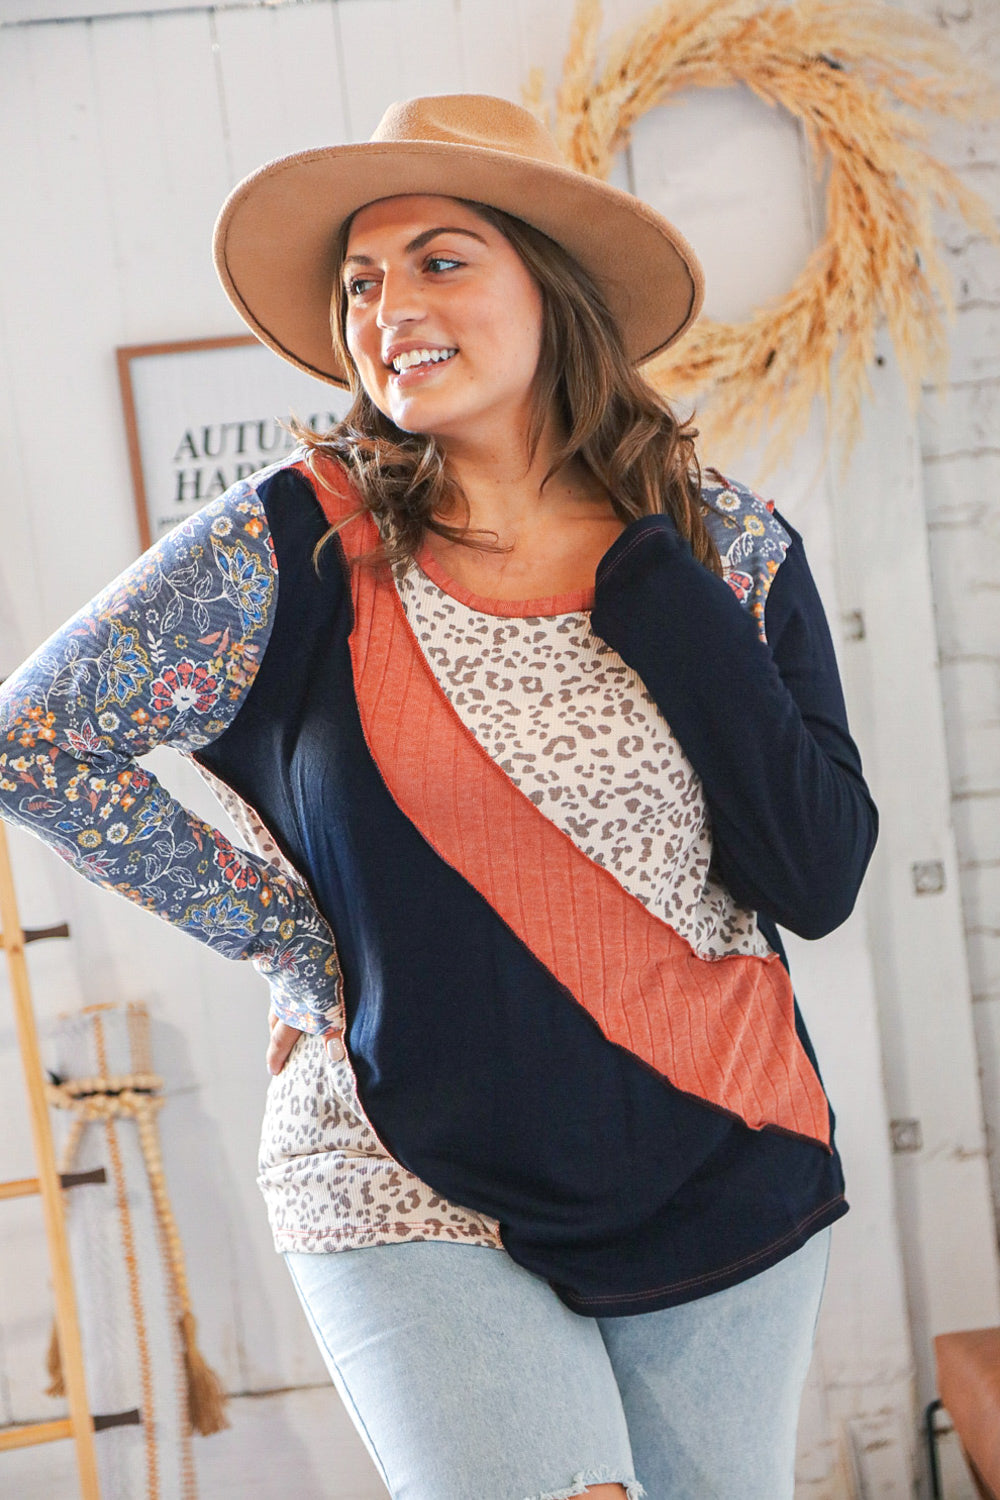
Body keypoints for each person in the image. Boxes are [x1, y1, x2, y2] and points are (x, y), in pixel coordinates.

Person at [0, 94, 877, 1500]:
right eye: (360, 282)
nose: (387, 307)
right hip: (396, 1162)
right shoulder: (292, 542)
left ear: (554, 289)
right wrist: (288, 937)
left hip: (717, 1139)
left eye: (441, 261)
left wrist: (659, 587)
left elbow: (816, 876)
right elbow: (35, 739)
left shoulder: (728, 548)